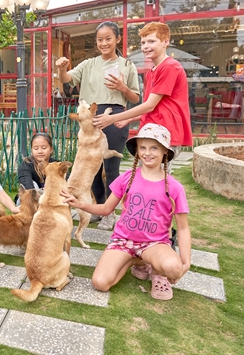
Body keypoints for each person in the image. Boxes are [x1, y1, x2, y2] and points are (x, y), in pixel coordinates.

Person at [60, 123, 191, 300]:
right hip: (123, 242)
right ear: (137, 150)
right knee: (100, 283)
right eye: (143, 147)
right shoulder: (128, 177)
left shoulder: (175, 187)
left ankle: (154, 267)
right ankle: (137, 260)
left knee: (174, 268)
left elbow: (183, 229)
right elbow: (106, 208)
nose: (147, 153)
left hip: (154, 244)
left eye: (154, 148)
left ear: (164, 152)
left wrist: (186, 261)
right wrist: (80, 204)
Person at [56, 21, 140, 230]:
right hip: (90, 120)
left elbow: (136, 98)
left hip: (115, 116)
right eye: (100, 40)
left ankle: (109, 212)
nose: (104, 43)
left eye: (108, 39)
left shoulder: (127, 66)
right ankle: (96, 207)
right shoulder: (88, 64)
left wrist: (122, 87)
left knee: (111, 168)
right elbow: (67, 78)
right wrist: (61, 69)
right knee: (91, 165)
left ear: (117, 39)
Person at [92, 22, 193, 169]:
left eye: (151, 41)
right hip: (152, 130)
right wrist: (129, 119)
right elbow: (156, 107)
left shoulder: (169, 67)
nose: (146, 46)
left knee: (156, 180)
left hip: (164, 133)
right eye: (143, 42)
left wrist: (112, 118)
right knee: (147, 178)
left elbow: (149, 105)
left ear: (166, 42)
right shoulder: (153, 70)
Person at [16, 132, 56, 204]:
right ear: (31, 149)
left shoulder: (56, 165)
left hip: (52, 199)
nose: (40, 151)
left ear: (51, 149)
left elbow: (66, 182)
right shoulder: (26, 165)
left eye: (44, 148)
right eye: (36, 148)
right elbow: (28, 188)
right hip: (30, 202)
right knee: (33, 186)